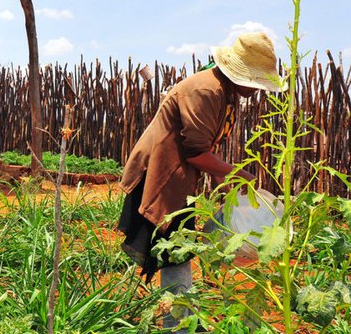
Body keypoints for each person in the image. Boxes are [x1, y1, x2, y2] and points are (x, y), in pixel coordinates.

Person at [117, 31, 284, 332]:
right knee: (175, 252)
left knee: (174, 251)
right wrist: (240, 174)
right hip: (160, 176)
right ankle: (178, 326)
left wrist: (226, 185)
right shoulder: (207, 90)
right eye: (254, 82)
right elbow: (196, 153)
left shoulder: (225, 92)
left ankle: (177, 322)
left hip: (176, 179)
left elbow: (205, 149)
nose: (256, 90)